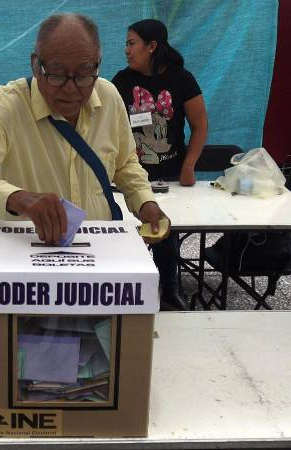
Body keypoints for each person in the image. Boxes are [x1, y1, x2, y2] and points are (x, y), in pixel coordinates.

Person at [0, 13, 168, 250]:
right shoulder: (7, 106)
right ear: (36, 65)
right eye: (57, 74)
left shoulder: (109, 97)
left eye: (84, 74)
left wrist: (144, 201)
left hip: (98, 249)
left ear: (98, 65)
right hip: (28, 251)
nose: (71, 89)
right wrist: (19, 199)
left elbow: (125, 164)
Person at [112, 19, 208, 310]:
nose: (127, 50)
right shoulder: (121, 82)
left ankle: (169, 290)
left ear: (152, 46)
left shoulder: (182, 79)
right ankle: (126, 290)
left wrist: (189, 166)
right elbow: (107, 126)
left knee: (165, 234)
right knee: (127, 233)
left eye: (132, 43)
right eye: (127, 44)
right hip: (130, 177)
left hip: (170, 176)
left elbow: (200, 125)